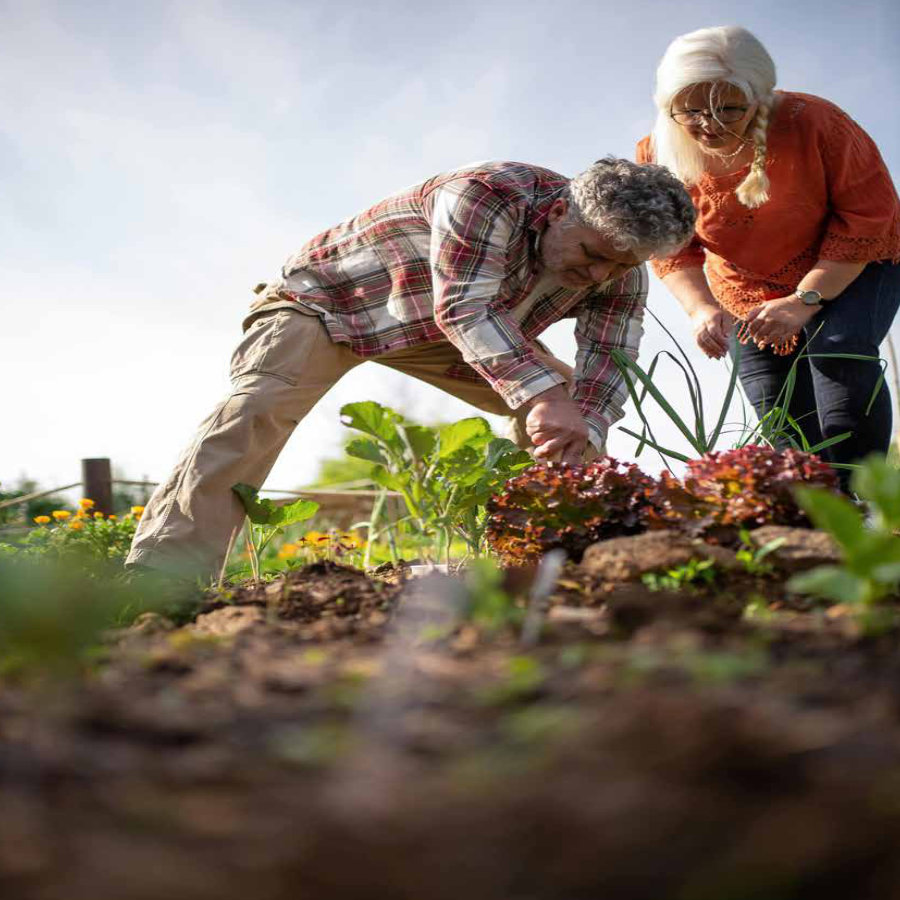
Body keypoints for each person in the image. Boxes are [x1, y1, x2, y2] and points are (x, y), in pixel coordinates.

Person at [127, 157, 696, 577]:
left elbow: (611, 360)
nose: (599, 276)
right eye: (592, 254)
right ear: (557, 212)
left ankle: (550, 560)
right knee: (259, 406)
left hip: (454, 336)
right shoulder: (488, 193)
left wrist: (583, 427)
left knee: (571, 419)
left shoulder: (620, 270)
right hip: (333, 304)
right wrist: (543, 396)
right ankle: (165, 573)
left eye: (619, 265)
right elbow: (465, 306)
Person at [637, 25, 900, 490]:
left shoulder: (815, 122)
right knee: (775, 404)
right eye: (691, 110)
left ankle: (866, 501)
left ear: (758, 97)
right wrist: (701, 309)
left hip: (854, 262)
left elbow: (867, 218)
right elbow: (671, 244)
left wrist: (803, 301)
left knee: (837, 352)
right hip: (747, 288)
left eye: (728, 108)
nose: (709, 124)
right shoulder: (657, 153)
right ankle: (812, 510)